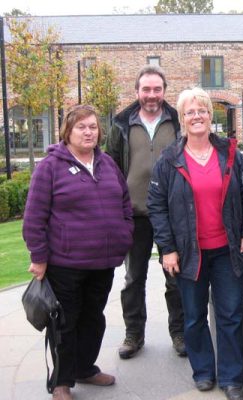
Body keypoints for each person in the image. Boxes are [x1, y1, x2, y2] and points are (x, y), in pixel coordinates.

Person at [147, 87, 243, 400]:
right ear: (182, 119)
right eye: (190, 112)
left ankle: (232, 379)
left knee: (230, 315)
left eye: (203, 111)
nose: (197, 116)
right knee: (193, 317)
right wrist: (167, 249)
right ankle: (204, 372)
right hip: (188, 253)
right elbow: (157, 207)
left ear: (211, 116)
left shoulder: (232, 153)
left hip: (227, 250)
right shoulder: (169, 160)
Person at [23, 105, 134, 400]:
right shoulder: (50, 166)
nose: (89, 132)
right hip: (65, 263)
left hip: (103, 262)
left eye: (93, 127)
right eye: (81, 127)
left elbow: (125, 202)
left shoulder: (108, 163)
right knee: (64, 323)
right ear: (67, 132)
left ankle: (85, 368)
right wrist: (38, 256)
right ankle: (61, 381)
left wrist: (124, 235)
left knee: (93, 318)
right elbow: (34, 216)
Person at [106, 65, 185, 359]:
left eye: (157, 89)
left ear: (164, 91)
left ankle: (179, 333)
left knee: (176, 278)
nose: (152, 95)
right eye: (146, 89)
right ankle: (133, 335)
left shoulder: (178, 121)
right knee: (133, 279)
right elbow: (110, 167)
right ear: (137, 91)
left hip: (172, 214)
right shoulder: (121, 125)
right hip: (134, 215)